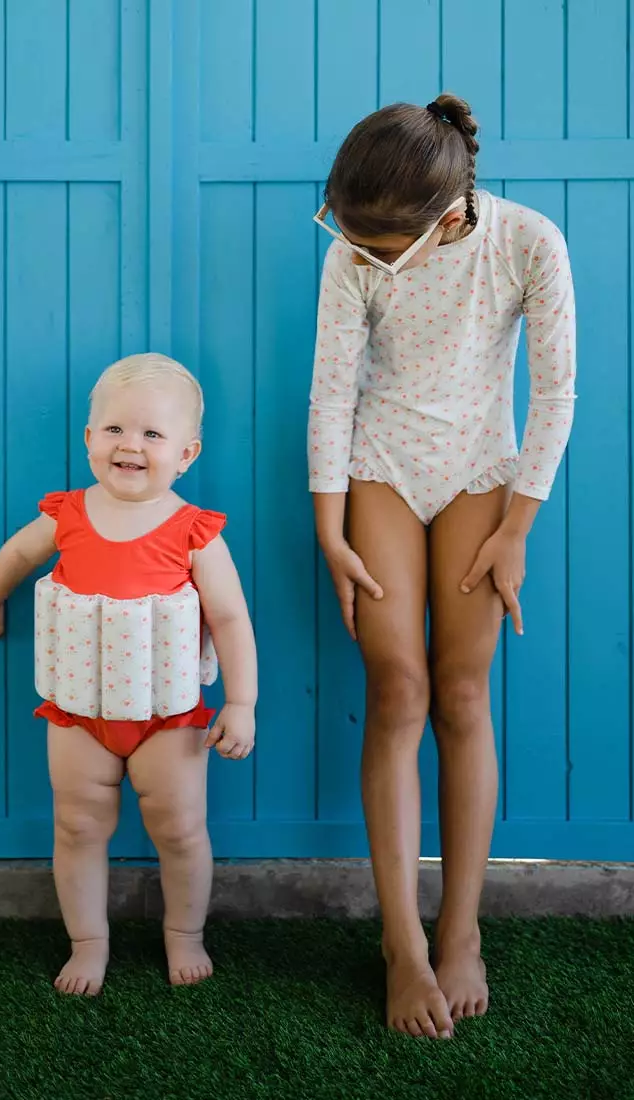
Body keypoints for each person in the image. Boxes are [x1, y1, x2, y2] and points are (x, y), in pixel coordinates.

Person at [309, 93, 575, 1038]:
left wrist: (517, 527)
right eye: (352, 239)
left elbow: (556, 394)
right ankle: (401, 944)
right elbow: (331, 394)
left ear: (443, 216)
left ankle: (460, 930)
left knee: (462, 693)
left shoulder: (528, 242)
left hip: (480, 474)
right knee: (399, 690)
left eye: (382, 246)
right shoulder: (351, 253)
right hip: (380, 467)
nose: (363, 255)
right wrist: (331, 532)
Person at [0, 353, 257, 995]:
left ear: (186, 454)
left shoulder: (195, 532)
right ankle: (87, 942)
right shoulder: (68, 514)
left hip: (169, 718)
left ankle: (184, 933)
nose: (130, 446)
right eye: (114, 429)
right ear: (89, 438)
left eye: (152, 434)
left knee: (180, 830)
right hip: (77, 714)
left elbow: (230, 618)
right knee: (77, 826)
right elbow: (19, 552)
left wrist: (242, 702)